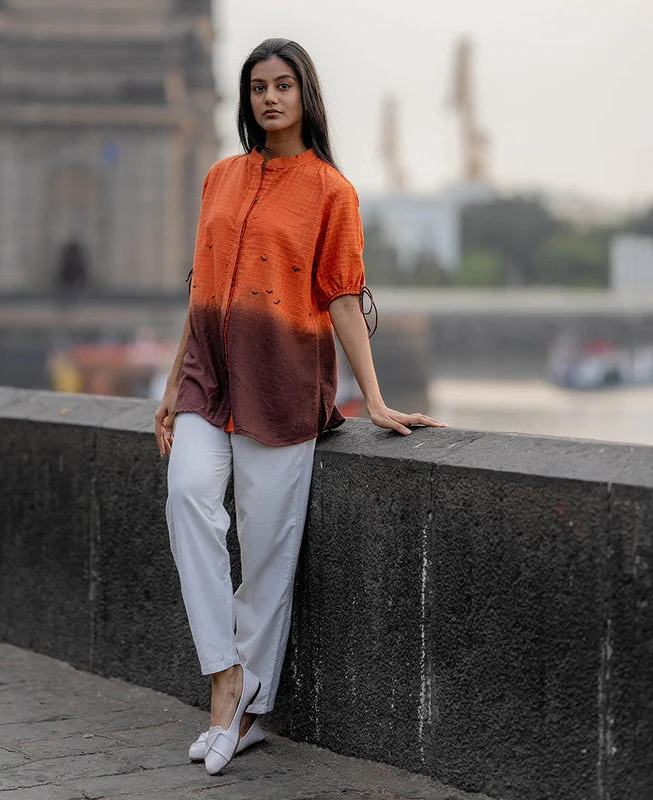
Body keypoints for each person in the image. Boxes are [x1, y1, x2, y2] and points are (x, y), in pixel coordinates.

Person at [154, 38, 446, 776]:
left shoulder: (330, 191)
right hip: (207, 376)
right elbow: (201, 287)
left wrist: (372, 399)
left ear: (305, 95)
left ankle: (244, 714)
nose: (270, 98)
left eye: (284, 85)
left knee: (267, 553)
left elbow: (343, 300)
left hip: (282, 383)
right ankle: (226, 676)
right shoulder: (220, 177)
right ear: (246, 99)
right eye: (258, 87)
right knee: (188, 495)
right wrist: (168, 389)